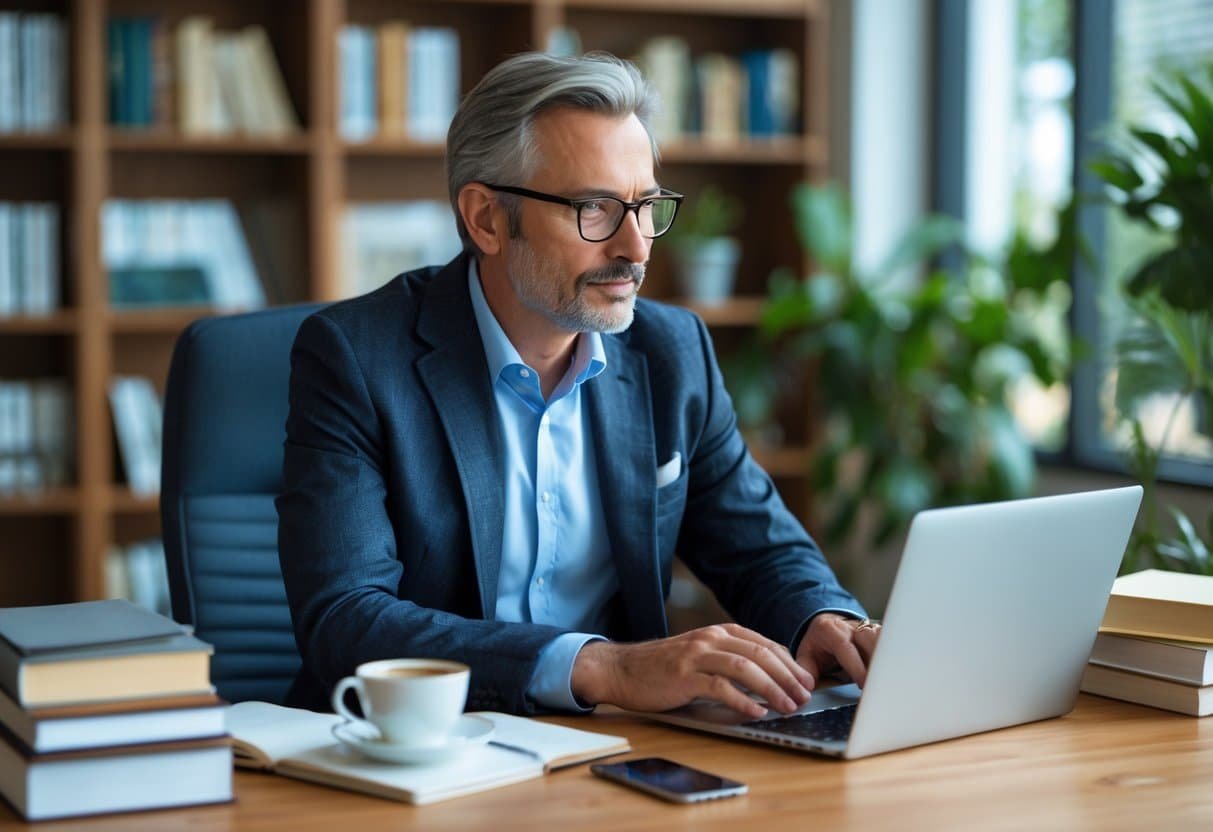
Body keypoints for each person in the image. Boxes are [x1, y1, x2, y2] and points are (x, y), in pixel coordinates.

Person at [277, 51, 881, 720]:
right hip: (420, 755)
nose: (637, 247)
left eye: (645, 206)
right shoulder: (358, 358)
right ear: (485, 219)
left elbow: (757, 544)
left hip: (620, 753)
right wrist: (601, 666)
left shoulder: (670, 351)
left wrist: (821, 618)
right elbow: (345, 620)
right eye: (594, 209)